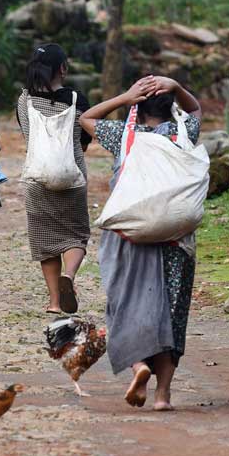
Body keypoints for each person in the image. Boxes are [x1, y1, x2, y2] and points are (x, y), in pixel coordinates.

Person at [80, 74, 202, 412]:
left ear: (138, 106)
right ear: (170, 105)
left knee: (125, 304)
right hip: (175, 239)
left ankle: (139, 366)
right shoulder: (182, 133)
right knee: (172, 313)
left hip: (128, 237)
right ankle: (163, 395)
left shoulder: (123, 136)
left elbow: (86, 118)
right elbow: (196, 109)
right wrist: (177, 85)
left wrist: (124, 96)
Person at [16, 43, 90, 314]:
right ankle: (68, 276)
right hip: (72, 178)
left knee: (45, 240)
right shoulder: (77, 99)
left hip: (37, 178)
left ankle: (54, 303)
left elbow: (28, 135)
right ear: (62, 68)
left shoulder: (25, 100)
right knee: (76, 235)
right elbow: (84, 141)